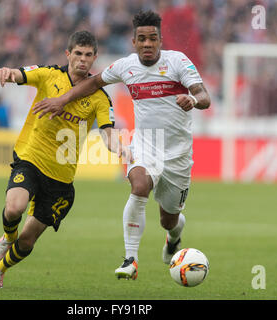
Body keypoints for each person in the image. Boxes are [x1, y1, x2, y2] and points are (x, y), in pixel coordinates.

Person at [32, 10, 211, 280]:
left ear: (160, 40)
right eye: (142, 39)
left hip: (177, 154)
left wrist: (194, 101)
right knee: (139, 186)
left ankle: (174, 237)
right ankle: (131, 259)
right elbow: (93, 83)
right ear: (134, 42)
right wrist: (62, 99)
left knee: (169, 219)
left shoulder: (178, 62)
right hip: (145, 146)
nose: (147, 44)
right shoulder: (126, 66)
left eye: (153, 38)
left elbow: (203, 95)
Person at [0, 30, 129, 288]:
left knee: (28, 240)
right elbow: (21, 74)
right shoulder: (50, 74)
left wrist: (118, 147)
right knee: (14, 208)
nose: (82, 60)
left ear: (95, 57)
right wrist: (8, 72)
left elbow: (108, 132)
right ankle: (7, 237)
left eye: (88, 55)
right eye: (78, 54)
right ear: (68, 54)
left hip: (61, 179)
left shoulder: (99, 97)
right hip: (31, 158)